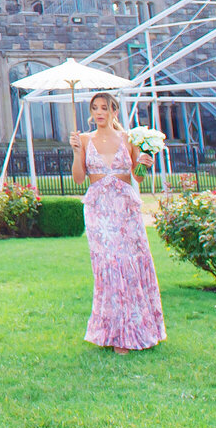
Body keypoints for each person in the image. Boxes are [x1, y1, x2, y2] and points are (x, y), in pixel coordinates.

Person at [70, 92, 166, 354]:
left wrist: (145, 162)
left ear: (114, 111)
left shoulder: (129, 139)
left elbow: (138, 176)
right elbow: (79, 179)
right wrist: (77, 153)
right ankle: (111, 333)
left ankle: (134, 331)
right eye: (95, 108)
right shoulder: (85, 140)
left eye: (104, 108)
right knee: (109, 266)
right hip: (99, 210)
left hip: (125, 210)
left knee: (128, 265)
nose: (99, 112)